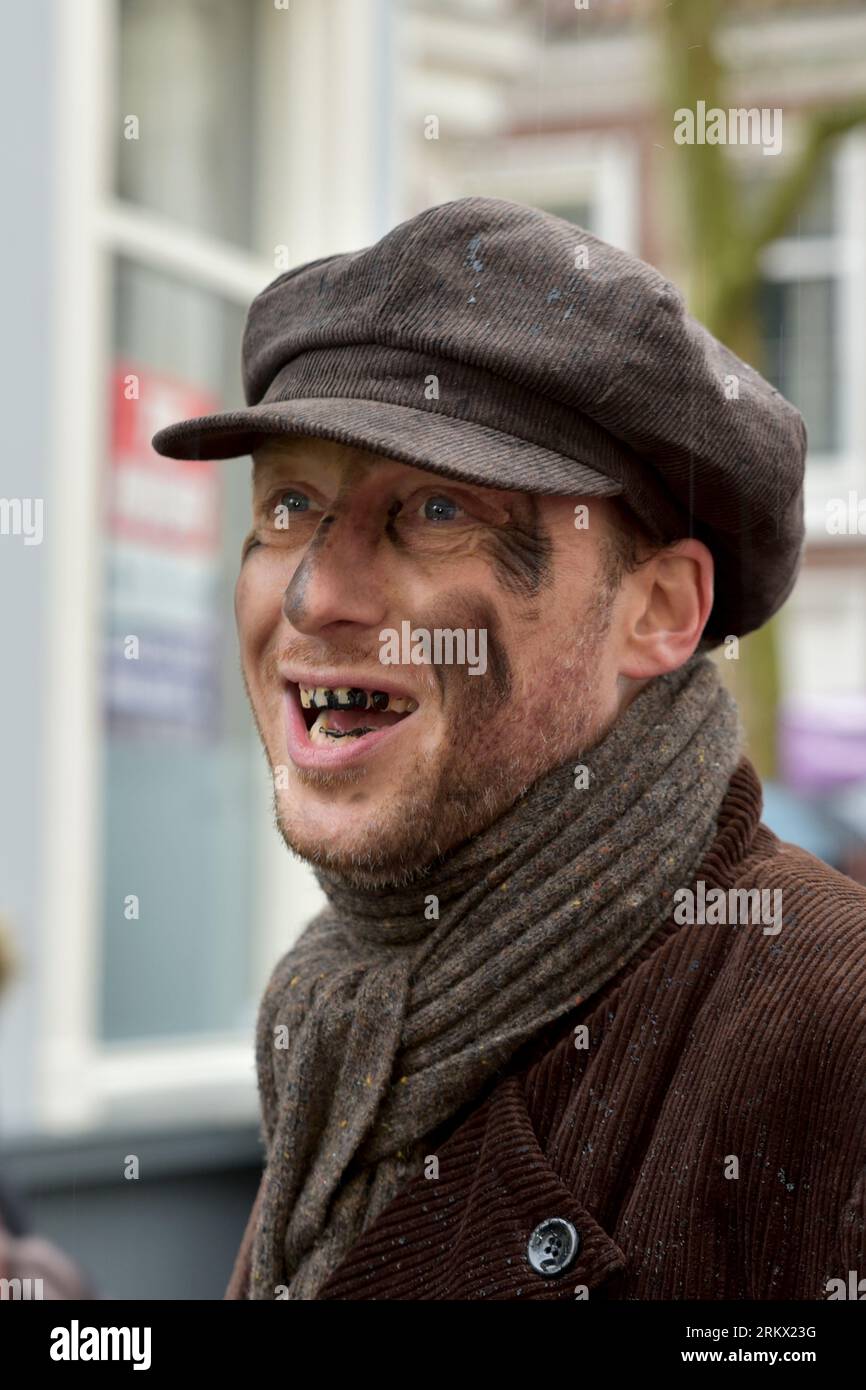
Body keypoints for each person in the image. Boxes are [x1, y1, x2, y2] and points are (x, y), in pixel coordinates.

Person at [151, 196, 866, 1301]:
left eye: (434, 510)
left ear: (658, 610)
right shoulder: (335, 1022)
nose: (315, 594)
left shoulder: (834, 1035)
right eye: (289, 505)